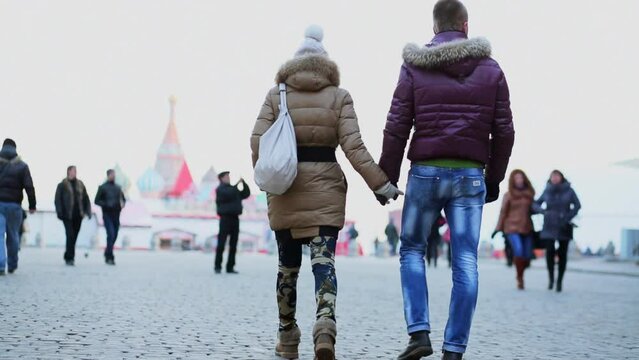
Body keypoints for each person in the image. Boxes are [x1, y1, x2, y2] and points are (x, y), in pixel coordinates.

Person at [251, 25, 402, 360]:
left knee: (287, 267)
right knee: (324, 263)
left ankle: (287, 339)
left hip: (285, 189)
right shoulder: (339, 96)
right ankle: (325, 328)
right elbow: (354, 146)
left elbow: (257, 141)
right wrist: (381, 185)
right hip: (326, 190)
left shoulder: (277, 95)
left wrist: (267, 179)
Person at [377, 1, 514, 358]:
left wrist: (386, 178)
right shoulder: (492, 70)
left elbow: (396, 125)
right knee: (465, 259)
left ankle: (419, 333)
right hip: (470, 175)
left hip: (424, 172)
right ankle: (454, 349)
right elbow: (504, 131)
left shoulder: (414, 66)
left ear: (435, 27)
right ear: (465, 26)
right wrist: (495, 179)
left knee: (411, 249)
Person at [533, 170, 581, 292]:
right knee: (549, 252)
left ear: (561, 177)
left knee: (562, 254)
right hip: (549, 225)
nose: (554, 178)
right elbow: (536, 204)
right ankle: (551, 279)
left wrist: (568, 216)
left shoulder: (569, 190)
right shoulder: (547, 190)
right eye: (552, 176)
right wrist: (543, 212)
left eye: (556, 176)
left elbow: (577, 205)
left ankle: (559, 281)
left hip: (564, 225)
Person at [492, 170, 535, 289]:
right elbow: (503, 213)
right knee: (519, 250)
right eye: (517, 178)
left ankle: (521, 272)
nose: (519, 180)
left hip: (526, 227)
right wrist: (497, 229)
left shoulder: (529, 194)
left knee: (527, 255)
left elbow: (534, 209)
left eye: (521, 178)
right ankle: (520, 278)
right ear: (513, 180)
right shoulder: (508, 195)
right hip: (511, 227)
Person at [0, 138, 36, 275]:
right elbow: (29, 187)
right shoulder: (22, 166)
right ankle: (13, 264)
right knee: (13, 235)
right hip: (15, 206)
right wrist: (32, 205)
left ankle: (1, 265)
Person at [55, 166, 92, 266]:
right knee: (70, 235)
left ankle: (68, 254)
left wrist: (88, 212)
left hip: (78, 215)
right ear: (68, 172)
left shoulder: (80, 184)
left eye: (75, 171)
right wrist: (59, 212)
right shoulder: (62, 185)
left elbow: (86, 198)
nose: (74, 173)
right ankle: (70, 258)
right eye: (72, 171)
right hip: (67, 215)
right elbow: (58, 200)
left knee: (74, 236)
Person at [215, 171, 250, 274]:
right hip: (225, 219)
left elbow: (246, 194)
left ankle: (230, 267)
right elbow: (229, 194)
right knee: (221, 243)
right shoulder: (220, 189)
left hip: (235, 219)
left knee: (233, 244)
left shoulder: (233, 189)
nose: (228, 178)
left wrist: (244, 183)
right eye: (226, 176)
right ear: (221, 178)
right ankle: (218, 266)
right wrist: (237, 184)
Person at [94, 169, 126, 265]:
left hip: (116, 214)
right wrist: (105, 204)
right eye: (111, 175)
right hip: (107, 214)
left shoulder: (118, 187)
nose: (113, 176)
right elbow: (96, 201)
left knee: (115, 234)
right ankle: (110, 256)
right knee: (111, 234)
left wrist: (122, 204)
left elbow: (123, 199)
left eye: (114, 174)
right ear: (108, 175)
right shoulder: (102, 187)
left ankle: (107, 252)